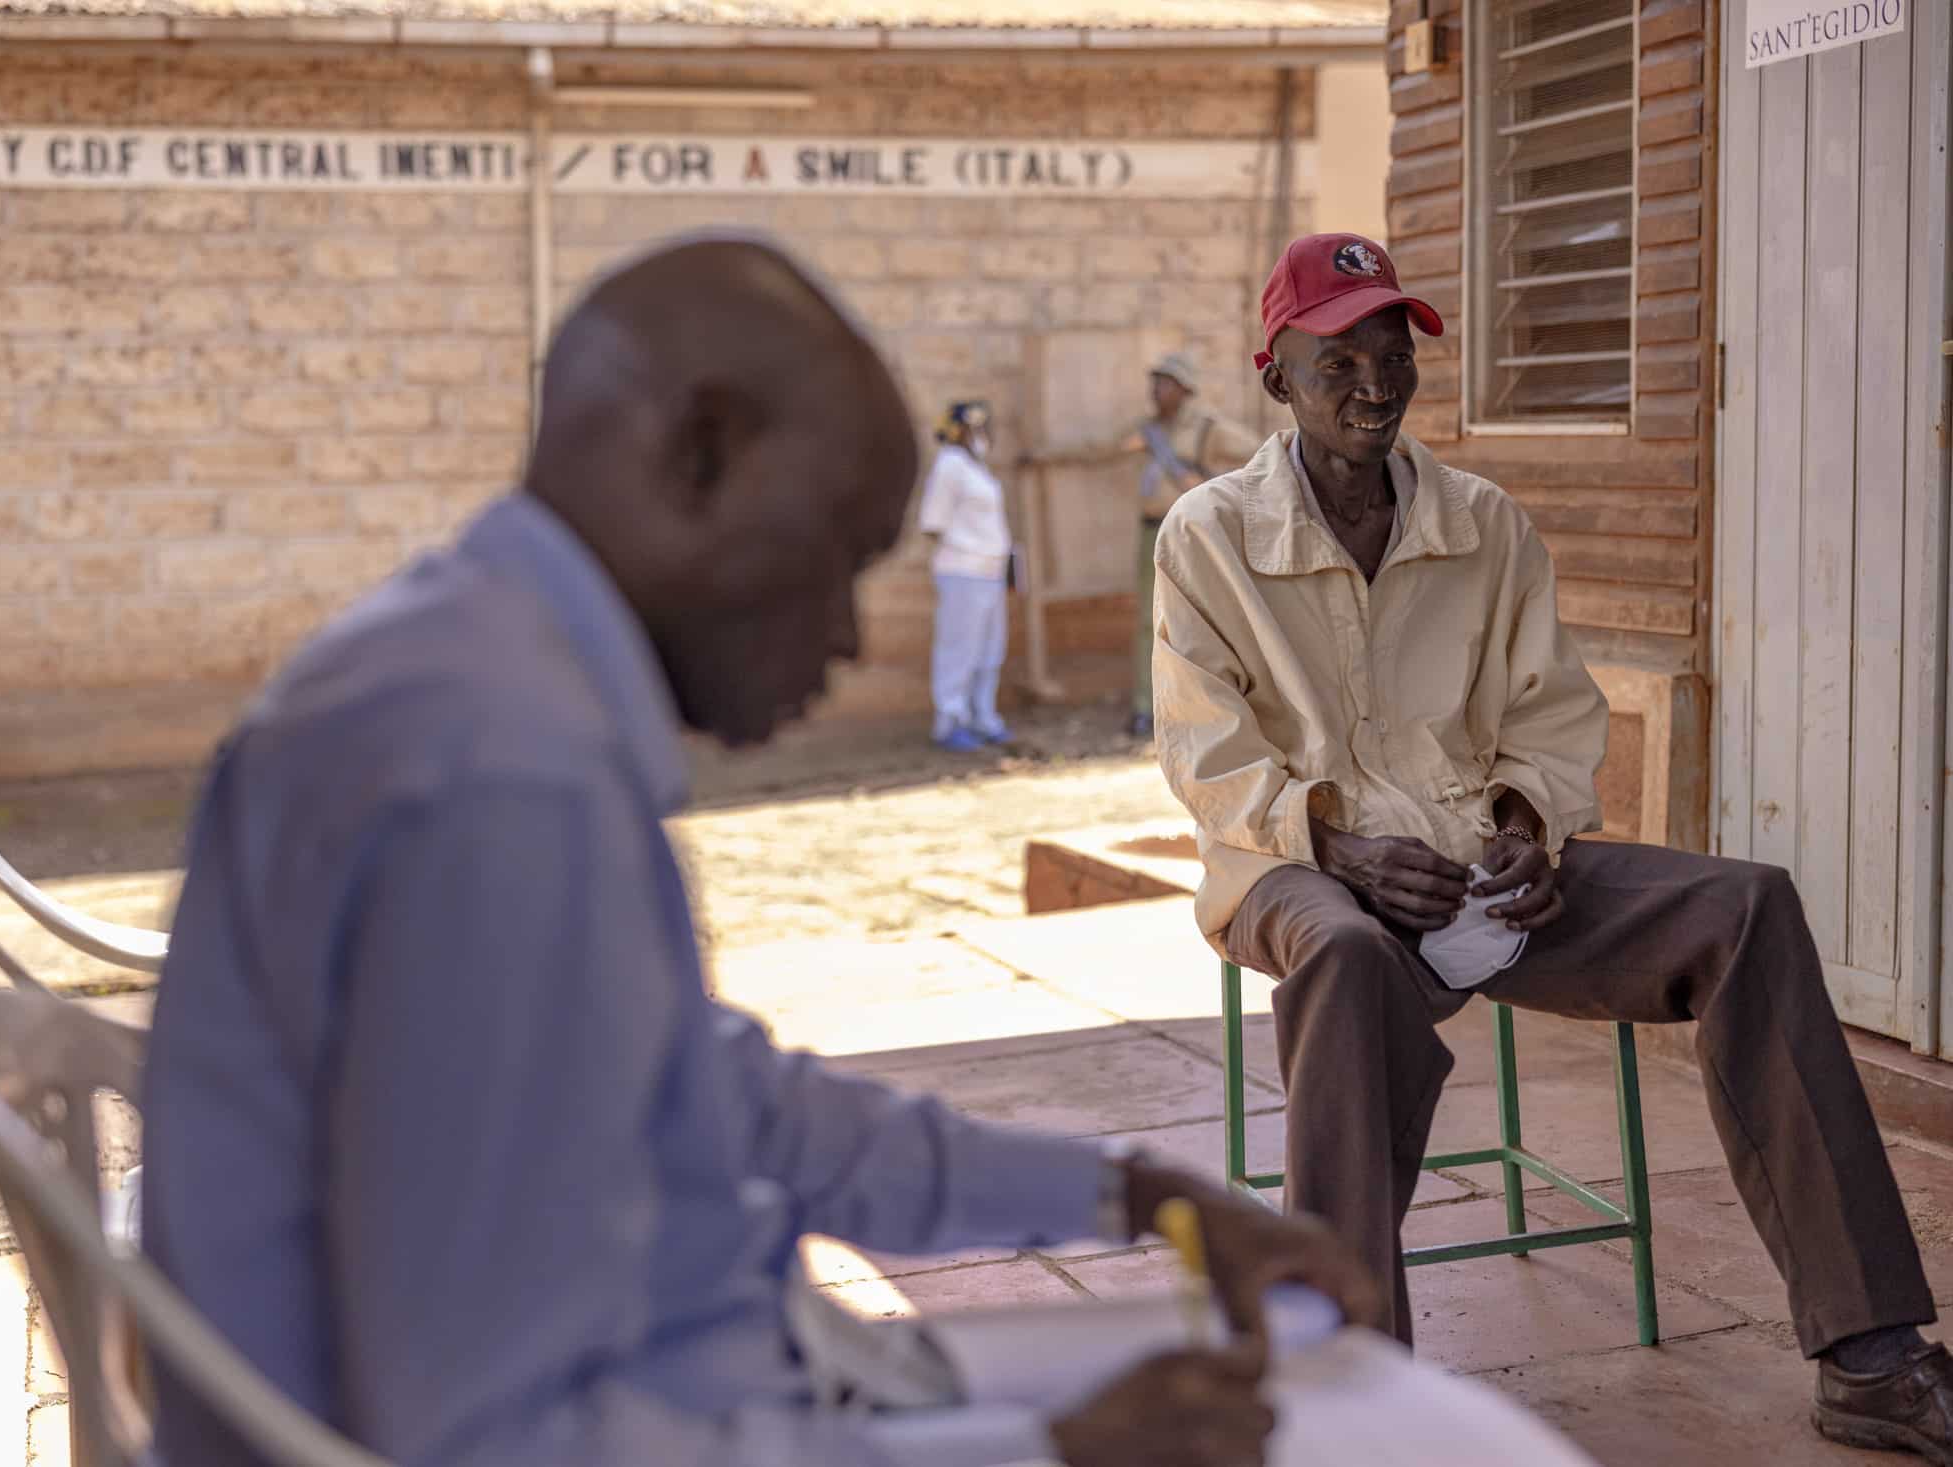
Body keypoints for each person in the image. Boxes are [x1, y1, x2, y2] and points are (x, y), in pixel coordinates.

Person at [139, 237, 1376, 1467]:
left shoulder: (471, 672)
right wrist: (1048, 1455)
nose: (844, 635)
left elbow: (718, 1110)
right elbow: (500, 1439)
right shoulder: (502, 778)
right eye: (834, 553)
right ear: (700, 450)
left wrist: (1132, 1194)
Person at [1152, 230, 1953, 1459]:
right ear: (1274, 377)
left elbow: (1550, 712)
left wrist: (1528, 822)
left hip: (1483, 872)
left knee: (1746, 905)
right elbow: (1206, 756)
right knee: (1346, 961)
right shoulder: (1205, 537)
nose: (1375, 386)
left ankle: (1872, 1359)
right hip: (1296, 873)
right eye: (1338, 363)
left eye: (1393, 356)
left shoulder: (1482, 522)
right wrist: (1339, 846)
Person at [1025, 355, 1260, 740]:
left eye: (1164, 383)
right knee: (1149, 622)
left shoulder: (1207, 428)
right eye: (1154, 383)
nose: (1156, 391)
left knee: (1205, 619)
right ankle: (1145, 706)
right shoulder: (1146, 431)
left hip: (1193, 531)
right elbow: (1097, 449)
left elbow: (1257, 454)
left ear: (1184, 390)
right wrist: (1041, 456)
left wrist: (1210, 482)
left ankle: (1207, 707)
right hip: (1154, 531)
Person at [919, 399, 1013, 752]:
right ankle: (949, 720)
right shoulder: (950, 465)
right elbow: (933, 523)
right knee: (958, 649)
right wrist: (965, 547)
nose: (982, 435)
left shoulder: (977, 468)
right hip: (962, 570)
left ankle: (983, 717)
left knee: (989, 651)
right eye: (975, 429)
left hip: (990, 571)